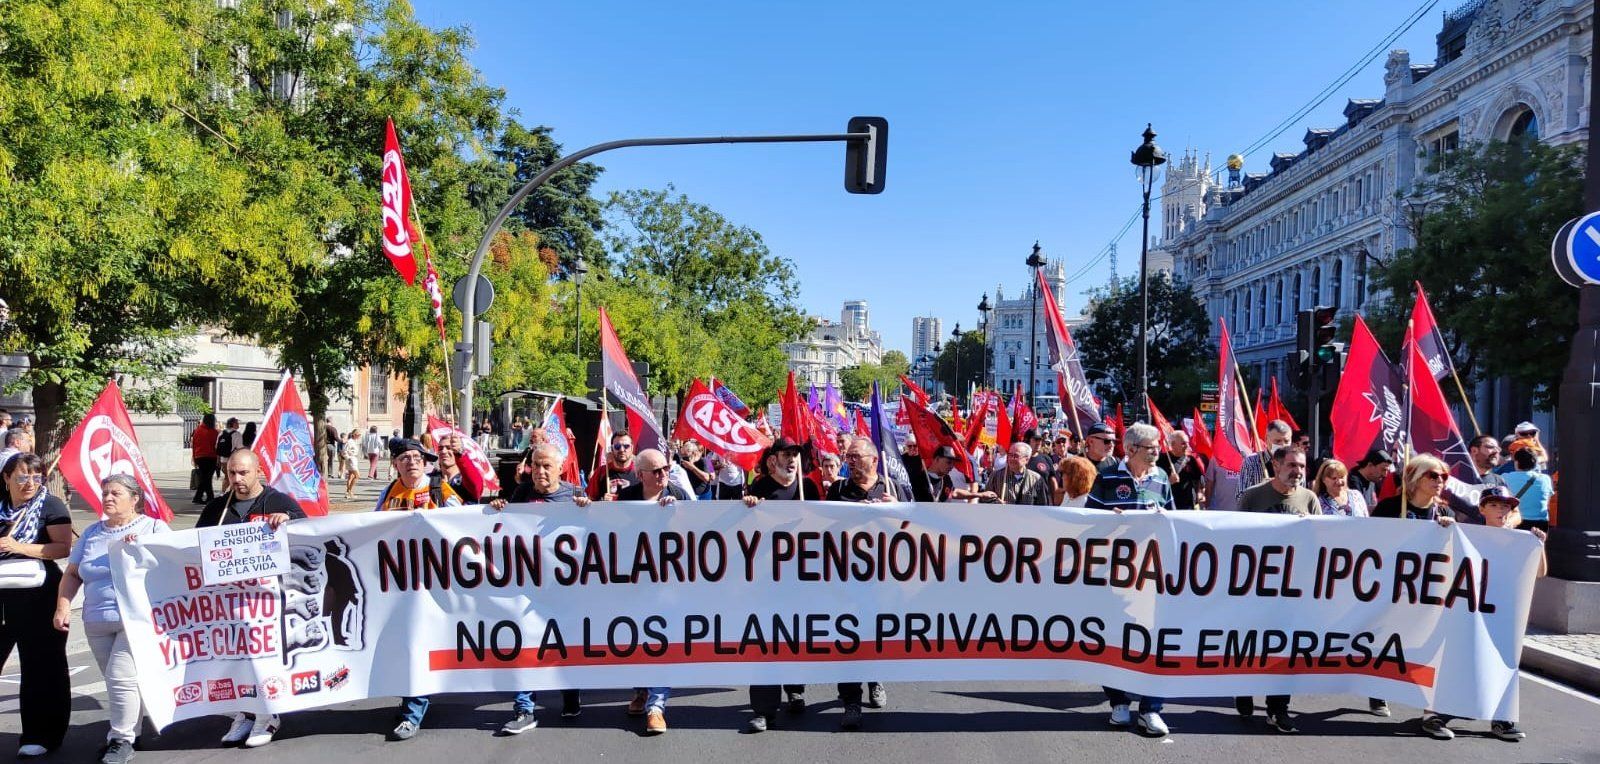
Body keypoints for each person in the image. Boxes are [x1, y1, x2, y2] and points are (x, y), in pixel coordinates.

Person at [53, 475, 169, 763]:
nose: (107, 498)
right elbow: (72, 574)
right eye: (105, 493)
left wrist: (145, 549)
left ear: (135, 499)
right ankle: (134, 729)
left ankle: (121, 739)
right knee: (119, 680)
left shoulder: (153, 528)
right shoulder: (92, 533)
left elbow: (174, 565)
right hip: (96, 620)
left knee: (120, 678)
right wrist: (62, 606)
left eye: (116, 493)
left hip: (137, 620)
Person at [1416, 485, 1542, 741]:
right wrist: (1444, 528)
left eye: (1505, 506)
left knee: (1503, 662)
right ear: (1482, 509)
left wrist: (1540, 544)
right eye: (1494, 505)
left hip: (1502, 613)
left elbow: (1539, 572)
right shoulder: (1466, 534)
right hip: (1465, 607)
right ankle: (1432, 715)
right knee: (1452, 658)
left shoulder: (1522, 540)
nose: (1501, 510)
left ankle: (1502, 718)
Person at [1081, 423, 1171, 736]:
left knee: (1156, 640)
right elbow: (1088, 527)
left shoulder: (1161, 478)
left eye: (1158, 445)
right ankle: (1118, 702)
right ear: (1131, 450)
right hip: (1114, 576)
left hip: (1151, 577)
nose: (1157, 451)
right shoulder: (1106, 478)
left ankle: (1151, 708)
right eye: (1150, 447)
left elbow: (1175, 521)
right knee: (1114, 638)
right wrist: (1109, 522)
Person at [487, 445, 585, 729]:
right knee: (525, 644)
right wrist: (499, 509)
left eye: (547, 467)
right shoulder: (521, 493)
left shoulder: (574, 494)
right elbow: (507, 527)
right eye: (536, 466)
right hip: (527, 586)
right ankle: (524, 708)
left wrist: (589, 508)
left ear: (560, 468)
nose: (540, 472)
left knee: (563, 645)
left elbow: (595, 535)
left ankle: (571, 694)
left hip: (565, 589)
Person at [379, 440, 464, 741]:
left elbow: (464, 524)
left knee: (419, 642)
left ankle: (413, 712)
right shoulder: (389, 492)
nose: (412, 462)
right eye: (405, 458)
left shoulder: (440, 489)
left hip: (434, 582)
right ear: (395, 464)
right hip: (401, 583)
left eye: (417, 457)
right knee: (403, 644)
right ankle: (410, 698)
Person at [739, 438, 820, 733]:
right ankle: (763, 710)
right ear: (773, 459)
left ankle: (795, 688)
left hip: (800, 579)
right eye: (787, 455)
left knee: (794, 637)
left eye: (796, 456)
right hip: (765, 582)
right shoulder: (759, 488)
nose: (792, 460)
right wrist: (747, 507)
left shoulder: (807, 488)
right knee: (765, 643)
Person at [1233, 445, 1315, 733]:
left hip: (1292, 591)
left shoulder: (1309, 498)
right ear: (1277, 466)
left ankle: (1278, 709)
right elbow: (1236, 538)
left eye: (1302, 466)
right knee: (1253, 644)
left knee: (1285, 650)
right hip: (1256, 588)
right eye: (1292, 465)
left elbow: (1321, 543)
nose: (1298, 472)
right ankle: (1243, 689)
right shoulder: (1253, 496)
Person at [0, 453, 74, 759]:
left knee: (41, 666)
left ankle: (41, 734)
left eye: (36, 477)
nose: (29, 483)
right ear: (6, 478)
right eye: (21, 477)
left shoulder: (51, 506)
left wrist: (19, 547)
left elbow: (62, 547)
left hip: (38, 595)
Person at [609, 447, 681, 734]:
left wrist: (680, 512)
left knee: (659, 641)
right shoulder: (626, 498)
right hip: (634, 582)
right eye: (656, 471)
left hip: (668, 586)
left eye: (666, 468)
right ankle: (641, 690)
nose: (664, 474)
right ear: (640, 475)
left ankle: (657, 706)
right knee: (637, 638)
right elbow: (608, 530)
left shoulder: (679, 494)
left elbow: (701, 527)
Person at [825, 440, 892, 730]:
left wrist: (896, 509)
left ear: (874, 460)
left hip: (884, 581)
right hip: (846, 580)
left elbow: (915, 526)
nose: (850, 461)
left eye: (856, 456)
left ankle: (875, 678)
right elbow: (821, 526)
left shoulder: (892, 488)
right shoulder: (837, 490)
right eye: (848, 457)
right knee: (848, 640)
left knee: (876, 636)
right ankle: (850, 700)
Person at [1371, 455, 1456, 522]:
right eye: (1433, 475)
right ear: (1416, 478)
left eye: (1444, 476)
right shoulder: (1388, 507)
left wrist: (1451, 528)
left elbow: (1453, 542)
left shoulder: (1445, 513)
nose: (1440, 480)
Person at [1235, 420, 1292, 505]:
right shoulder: (1252, 462)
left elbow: (1301, 495)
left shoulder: (1295, 463)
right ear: (1266, 439)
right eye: (1277, 441)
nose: (1282, 445)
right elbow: (1240, 496)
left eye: (1286, 441)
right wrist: (1263, 490)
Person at [977, 443, 1052, 505]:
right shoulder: (996, 476)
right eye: (1010, 455)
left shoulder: (1036, 479)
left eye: (1016, 456)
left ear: (1026, 459)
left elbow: (1043, 505)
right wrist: (995, 503)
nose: (1011, 458)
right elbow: (984, 501)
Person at [1499, 448, 1552, 532]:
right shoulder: (1545, 479)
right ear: (1535, 463)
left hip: (1515, 521)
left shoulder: (1504, 477)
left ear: (1516, 462)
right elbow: (1547, 501)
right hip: (1540, 524)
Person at [1163, 430, 1204, 510]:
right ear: (1173, 444)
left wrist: (1200, 492)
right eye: (1183, 443)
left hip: (1188, 506)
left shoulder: (1191, 460)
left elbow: (1198, 479)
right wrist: (1169, 481)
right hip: (1168, 505)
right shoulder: (1161, 460)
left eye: (1188, 443)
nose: (1187, 446)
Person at [191, 413, 220, 504]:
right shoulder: (214, 432)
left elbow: (194, 445)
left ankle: (203, 497)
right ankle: (207, 497)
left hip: (199, 457)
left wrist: (194, 457)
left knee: (205, 478)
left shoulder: (197, 430)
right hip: (211, 457)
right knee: (207, 478)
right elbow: (216, 446)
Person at [602, 432, 641, 499]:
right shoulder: (601, 472)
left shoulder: (641, 472)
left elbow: (651, 497)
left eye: (626, 446)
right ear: (612, 448)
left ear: (632, 448)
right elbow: (590, 500)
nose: (622, 450)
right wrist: (602, 500)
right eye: (617, 446)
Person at [341, 428, 362, 498]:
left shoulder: (354, 441)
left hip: (353, 459)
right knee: (357, 476)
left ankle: (347, 493)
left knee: (351, 476)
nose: (359, 436)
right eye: (358, 435)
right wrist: (348, 458)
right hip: (351, 460)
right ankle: (350, 491)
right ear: (354, 435)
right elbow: (344, 451)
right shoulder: (350, 441)